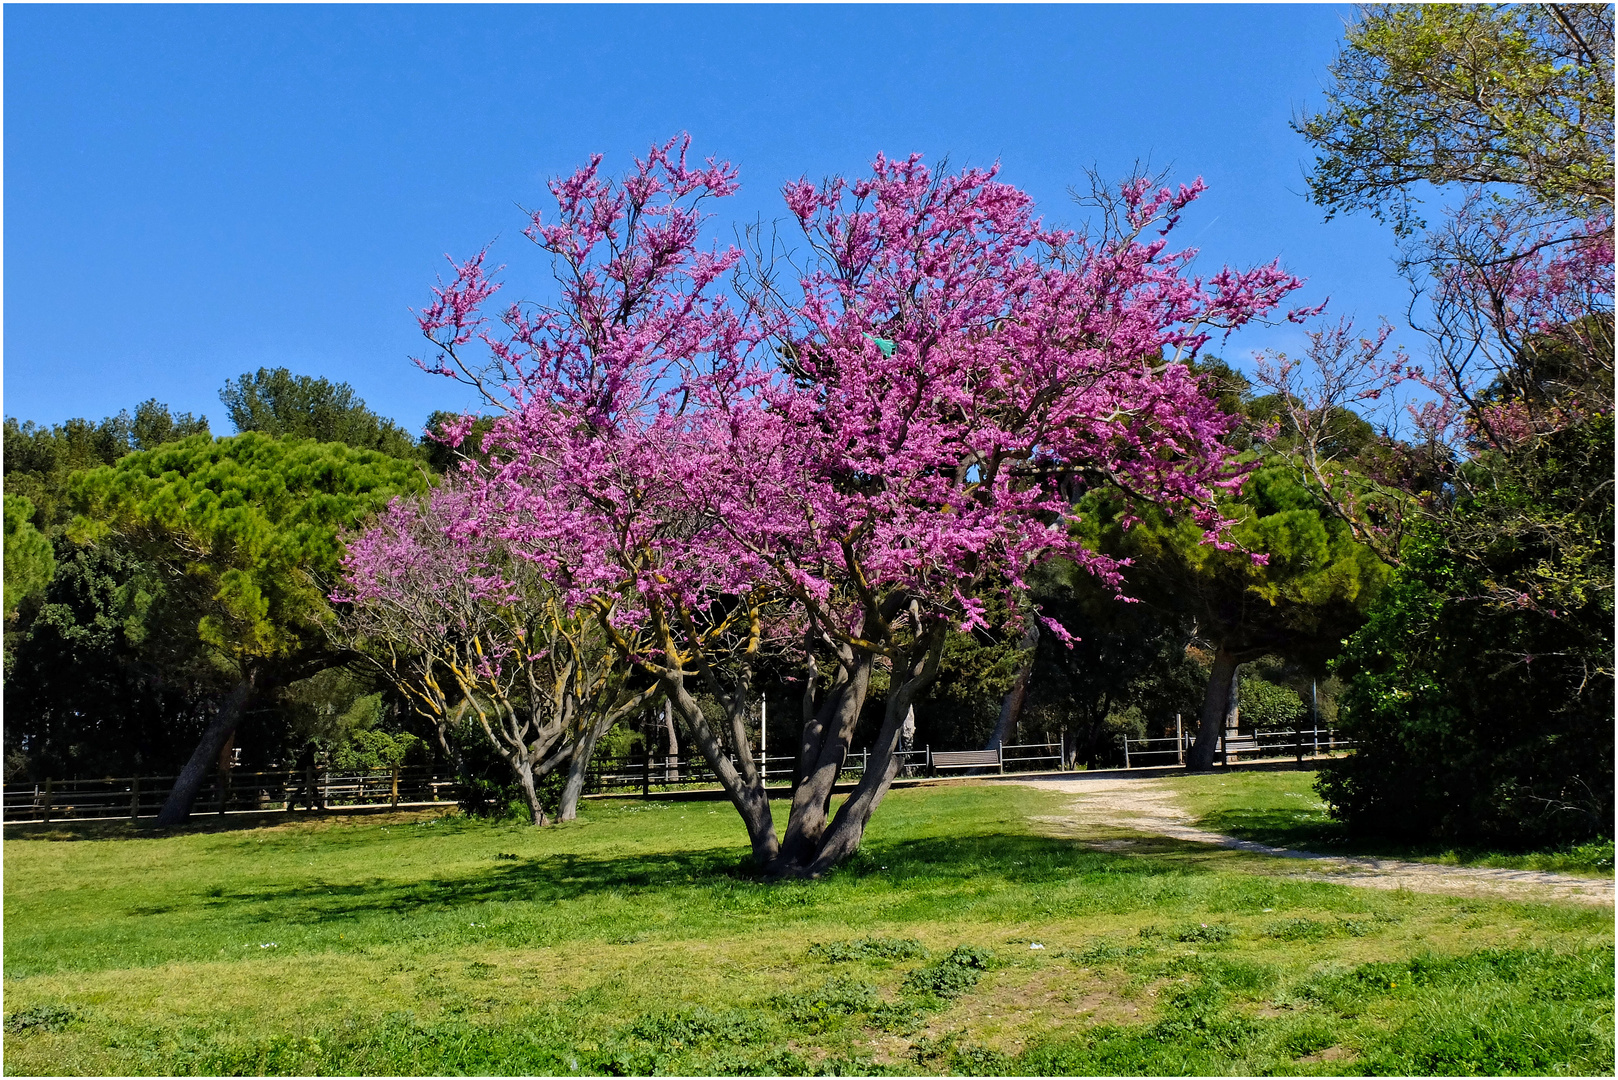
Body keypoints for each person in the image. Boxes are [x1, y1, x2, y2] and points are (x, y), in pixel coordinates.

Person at [287, 740, 322, 812]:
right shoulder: (309, 756)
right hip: (306, 775)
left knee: (304, 789)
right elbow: (310, 766)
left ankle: (317, 804)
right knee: (308, 789)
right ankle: (317, 804)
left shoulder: (305, 755)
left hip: (305, 775)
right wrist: (316, 771)